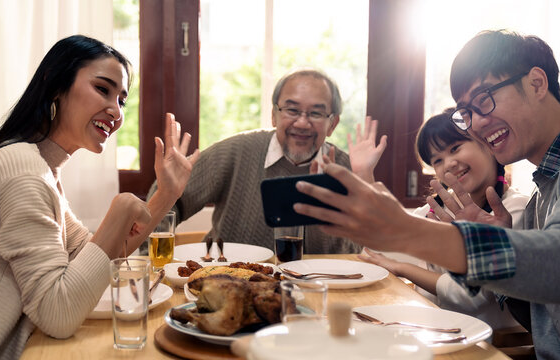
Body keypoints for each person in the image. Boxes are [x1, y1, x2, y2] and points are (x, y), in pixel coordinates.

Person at [293, 29, 560, 357]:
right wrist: (501, 266)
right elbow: (553, 323)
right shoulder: (542, 195)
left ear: (536, 83)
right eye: (467, 113)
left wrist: (405, 230)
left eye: (484, 100)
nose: (476, 123)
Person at [0, 35, 199, 360]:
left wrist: (168, 193)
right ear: (55, 84)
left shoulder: (39, 167)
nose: (116, 111)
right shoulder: (23, 172)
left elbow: (97, 260)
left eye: (122, 100)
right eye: (103, 89)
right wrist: (123, 207)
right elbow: (58, 314)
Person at [147, 69, 386, 254]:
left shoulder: (348, 169)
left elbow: (366, 251)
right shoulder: (234, 152)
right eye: (291, 110)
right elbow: (165, 198)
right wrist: (153, 263)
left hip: (320, 294)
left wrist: (363, 181)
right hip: (229, 284)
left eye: (315, 113)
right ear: (274, 115)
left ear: (332, 123)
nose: (302, 123)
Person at [359, 108, 529, 330]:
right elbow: (385, 234)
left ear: (487, 144)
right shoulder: (441, 210)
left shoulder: (515, 209)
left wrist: (401, 267)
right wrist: (365, 174)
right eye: (437, 160)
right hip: (433, 335)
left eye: (455, 148)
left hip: (488, 347)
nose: (448, 163)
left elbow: (469, 296)